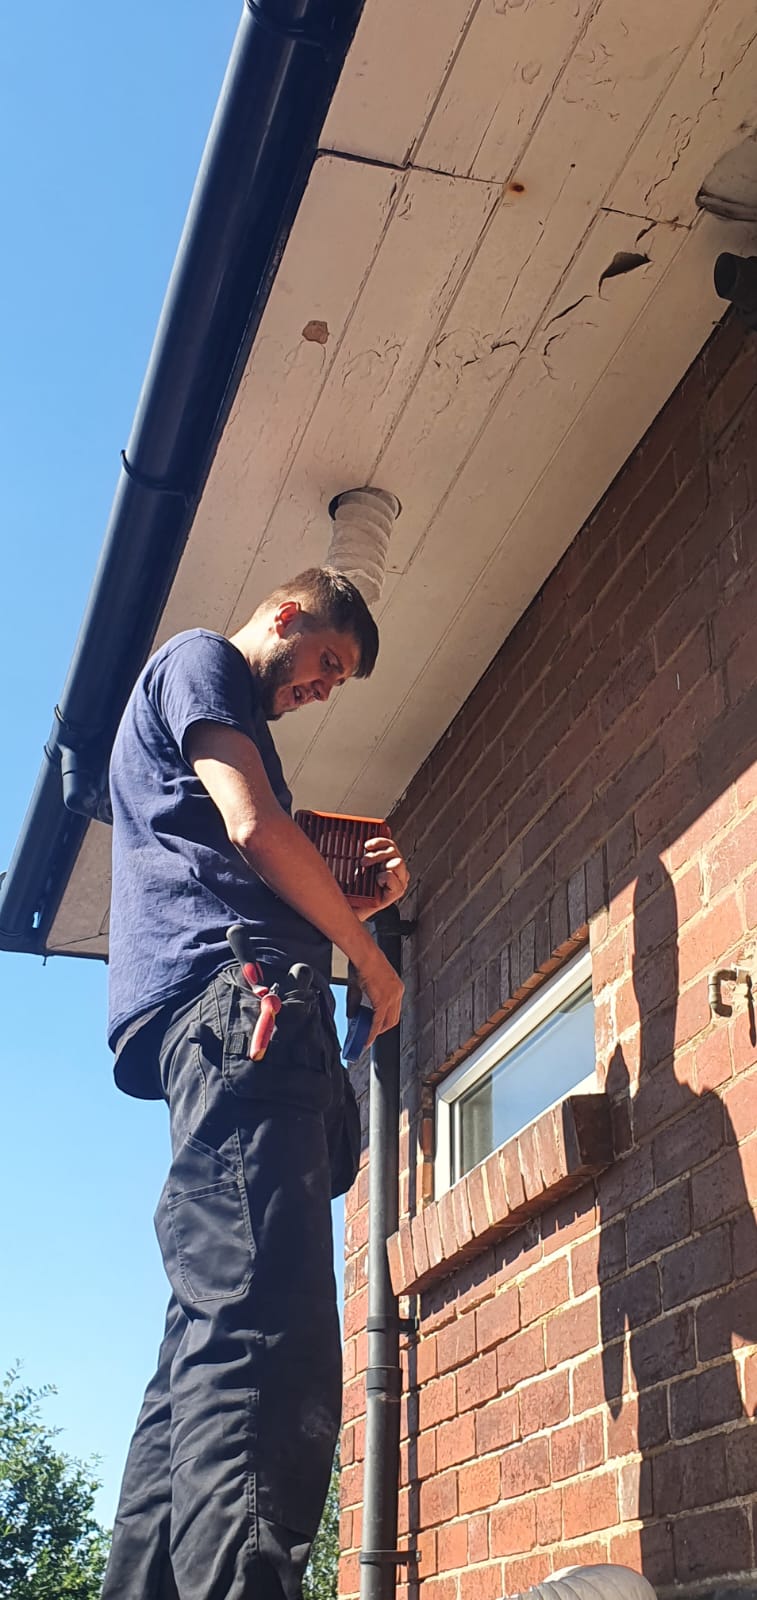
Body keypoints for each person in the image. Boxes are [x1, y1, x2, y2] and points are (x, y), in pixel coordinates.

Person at [99, 568, 408, 1600]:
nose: (323, 687)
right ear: (284, 614)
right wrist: (366, 954)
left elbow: (252, 830)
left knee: (205, 1335)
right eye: (325, 661)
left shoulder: (215, 712)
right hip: (248, 1009)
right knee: (266, 1332)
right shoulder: (200, 659)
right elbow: (250, 825)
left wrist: (346, 873)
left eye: (338, 682)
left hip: (225, 1019)